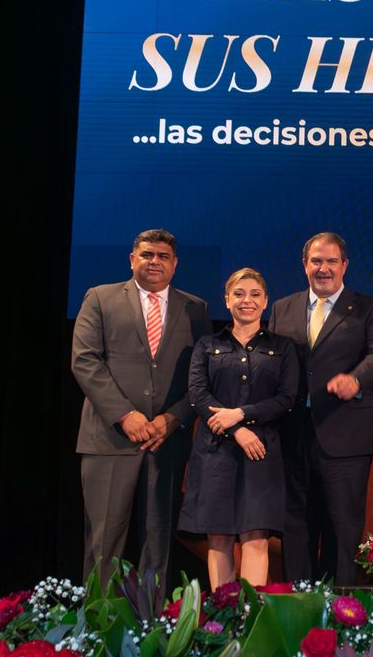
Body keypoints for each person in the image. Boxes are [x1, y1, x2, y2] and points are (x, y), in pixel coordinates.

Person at [72, 229, 211, 593]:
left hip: (166, 443)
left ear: (175, 264)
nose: (154, 262)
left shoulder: (195, 308)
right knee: (104, 545)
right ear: (132, 259)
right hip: (110, 440)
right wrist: (125, 415)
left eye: (163, 256)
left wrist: (175, 417)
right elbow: (85, 361)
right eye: (147, 254)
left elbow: (201, 375)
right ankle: (99, 620)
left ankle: (152, 621)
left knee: (158, 543)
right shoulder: (100, 298)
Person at [268, 232, 373, 585]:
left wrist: (356, 379)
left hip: (345, 436)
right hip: (293, 434)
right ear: (304, 265)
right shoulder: (282, 308)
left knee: (343, 529)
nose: (324, 268)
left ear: (344, 265)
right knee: (296, 527)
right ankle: (299, 604)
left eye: (331, 261)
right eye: (316, 261)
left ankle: (342, 607)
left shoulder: (369, 308)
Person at [180, 269, 298, 589]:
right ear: (227, 300)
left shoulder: (283, 347)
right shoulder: (207, 345)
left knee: (255, 537)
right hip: (215, 453)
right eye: (239, 294)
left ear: (266, 301)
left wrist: (241, 415)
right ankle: (224, 612)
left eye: (255, 294)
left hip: (261, 453)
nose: (247, 300)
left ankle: (251, 615)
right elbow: (198, 395)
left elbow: (286, 399)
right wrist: (237, 430)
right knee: (219, 538)